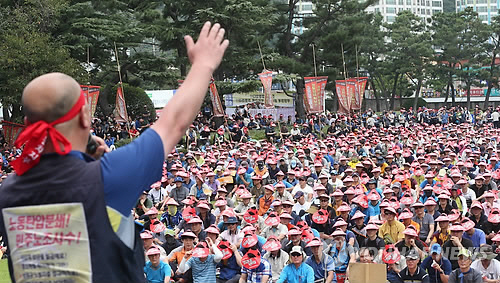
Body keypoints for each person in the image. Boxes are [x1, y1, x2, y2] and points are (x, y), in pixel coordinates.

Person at [0, 21, 228, 283]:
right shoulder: (109, 176)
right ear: (86, 118)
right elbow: (174, 123)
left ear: (27, 126)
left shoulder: (8, 191)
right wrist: (203, 64)